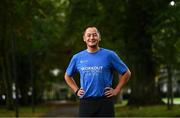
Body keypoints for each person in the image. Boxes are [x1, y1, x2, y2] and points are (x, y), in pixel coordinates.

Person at [64, 26, 131, 117]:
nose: (92, 38)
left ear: (99, 37)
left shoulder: (109, 55)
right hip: (86, 102)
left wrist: (117, 90)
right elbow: (67, 76)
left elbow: (126, 73)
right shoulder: (77, 57)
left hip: (105, 101)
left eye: (95, 35)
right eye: (89, 35)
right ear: (84, 38)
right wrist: (76, 90)